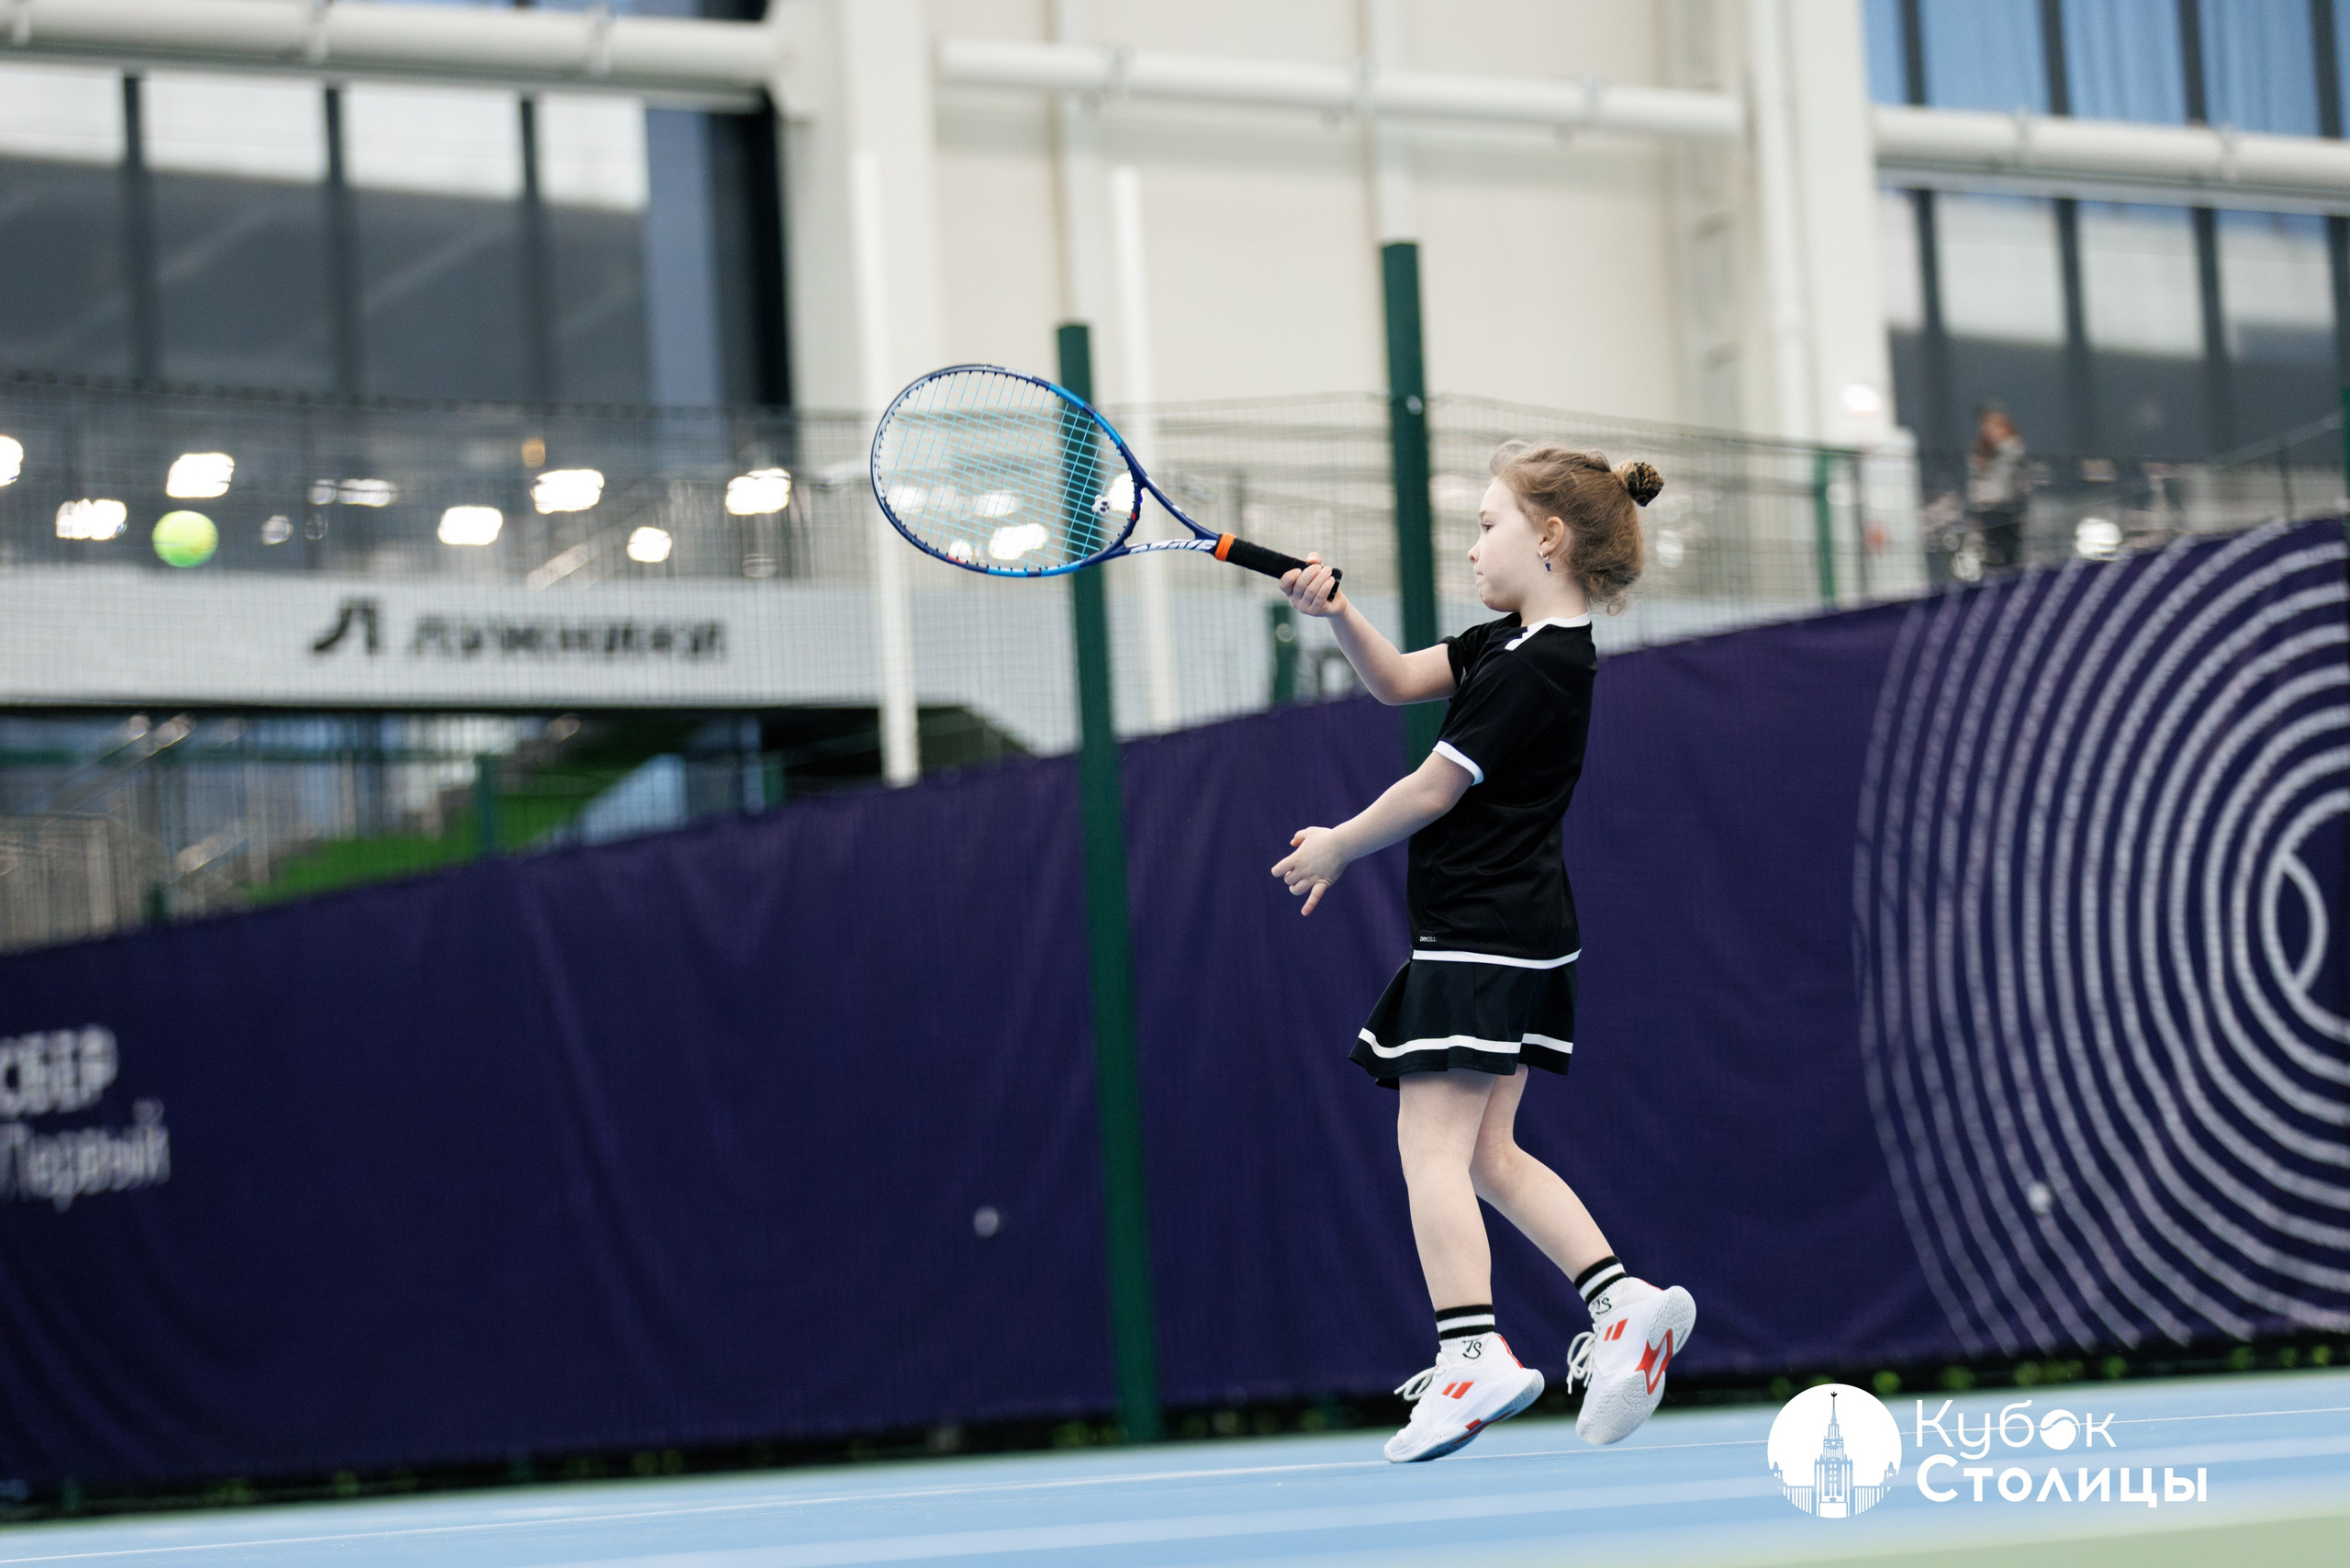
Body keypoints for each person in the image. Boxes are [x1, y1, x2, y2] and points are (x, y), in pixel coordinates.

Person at [1270, 442, 1696, 1463]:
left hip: (1482, 935)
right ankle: (1625, 1303)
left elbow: (1430, 788)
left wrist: (1337, 840)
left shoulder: (1541, 668)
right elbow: (1398, 683)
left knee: (1431, 1150)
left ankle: (1472, 1351)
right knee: (1488, 1156)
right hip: (1517, 935)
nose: (1472, 545)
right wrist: (1339, 616)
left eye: (1486, 523)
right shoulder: (1514, 645)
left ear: (1548, 538)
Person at [1966, 404, 2031, 572]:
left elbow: (2022, 483)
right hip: (1987, 513)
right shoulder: (1980, 453)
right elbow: (1975, 485)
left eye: (1994, 426)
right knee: (1989, 559)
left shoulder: (2014, 451)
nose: (1989, 430)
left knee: (2009, 559)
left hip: (2008, 512)